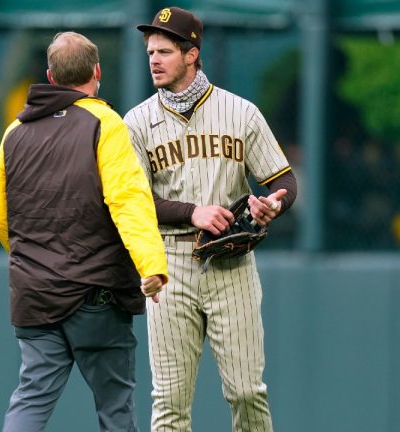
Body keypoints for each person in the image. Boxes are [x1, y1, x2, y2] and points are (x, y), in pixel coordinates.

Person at [124, 7, 298, 432]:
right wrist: (191, 212)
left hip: (231, 266)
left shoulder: (240, 113)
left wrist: (272, 204)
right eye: (150, 52)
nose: (154, 60)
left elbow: (284, 180)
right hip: (169, 266)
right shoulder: (137, 122)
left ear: (192, 54)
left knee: (246, 392)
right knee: (169, 402)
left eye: (165, 51)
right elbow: (133, 202)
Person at [0, 31, 168, 432]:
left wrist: (34, 261)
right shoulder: (105, 123)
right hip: (96, 296)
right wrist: (150, 265)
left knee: (31, 398)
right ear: (98, 72)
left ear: (50, 76)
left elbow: (0, 217)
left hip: (34, 294)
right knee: (115, 407)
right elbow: (128, 201)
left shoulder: (14, 131)